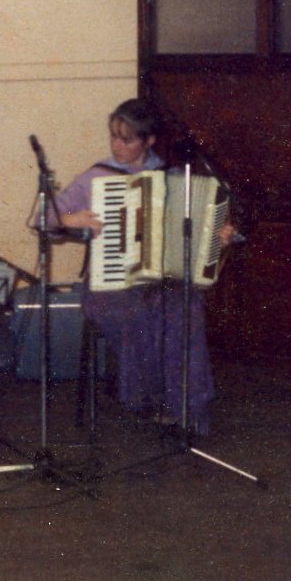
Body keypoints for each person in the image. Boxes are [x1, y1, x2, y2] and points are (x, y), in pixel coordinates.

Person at [53, 98, 227, 436]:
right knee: (139, 311)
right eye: (114, 136)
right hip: (110, 285)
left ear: (149, 141)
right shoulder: (96, 177)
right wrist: (70, 219)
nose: (117, 146)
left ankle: (186, 407)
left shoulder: (171, 176)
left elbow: (200, 231)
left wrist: (218, 233)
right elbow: (43, 216)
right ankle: (152, 397)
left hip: (162, 283)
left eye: (127, 139)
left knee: (185, 308)